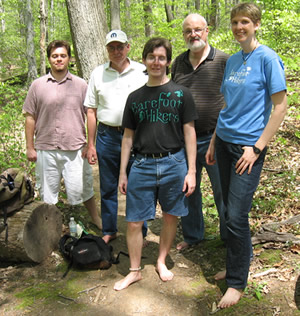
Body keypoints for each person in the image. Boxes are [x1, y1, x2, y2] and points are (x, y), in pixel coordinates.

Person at [206, 2, 287, 309]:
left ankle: (237, 282)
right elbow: (226, 107)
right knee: (227, 210)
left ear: (256, 25)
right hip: (224, 142)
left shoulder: (267, 58)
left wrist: (257, 147)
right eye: (235, 22)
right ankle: (234, 264)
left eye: (244, 22)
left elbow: (280, 106)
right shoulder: (234, 61)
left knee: (237, 216)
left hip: (246, 149)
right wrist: (213, 142)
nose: (239, 27)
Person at [113, 37, 198, 291]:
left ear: (168, 62)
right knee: (134, 221)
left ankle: (161, 261)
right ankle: (135, 270)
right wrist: (122, 173)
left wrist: (191, 171)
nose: (156, 62)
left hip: (174, 163)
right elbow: (128, 137)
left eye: (161, 58)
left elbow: (190, 133)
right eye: (152, 57)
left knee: (171, 216)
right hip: (141, 165)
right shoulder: (135, 97)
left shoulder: (181, 94)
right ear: (144, 60)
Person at [23, 40, 102, 230]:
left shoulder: (81, 85)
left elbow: (91, 115)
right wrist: (30, 147)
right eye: (55, 56)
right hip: (45, 147)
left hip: (75, 148)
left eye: (63, 56)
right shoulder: (37, 85)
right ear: (50, 59)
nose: (59, 59)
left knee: (83, 188)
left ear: (69, 58)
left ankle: (95, 218)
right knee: (47, 193)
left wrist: (90, 144)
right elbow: (30, 117)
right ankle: (49, 227)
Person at [84, 30, 148, 244]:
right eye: (111, 47)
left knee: (138, 184)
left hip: (138, 136)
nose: (116, 51)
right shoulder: (97, 74)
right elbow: (91, 111)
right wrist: (90, 144)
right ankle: (110, 229)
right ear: (107, 50)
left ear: (128, 47)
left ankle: (141, 229)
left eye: (120, 46)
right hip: (107, 136)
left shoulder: (142, 71)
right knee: (108, 185)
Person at [172, 13, 229, 250]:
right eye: (188, 31)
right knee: (188, 189)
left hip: (216, 138)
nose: (193, 34)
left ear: (207, 31)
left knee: (222, 191)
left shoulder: (224, 61)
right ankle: (193, 236)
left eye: (197, 29)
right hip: (185, 139)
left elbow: (233, 99)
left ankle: (229, 238)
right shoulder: (178, 63)